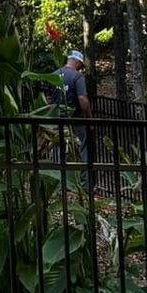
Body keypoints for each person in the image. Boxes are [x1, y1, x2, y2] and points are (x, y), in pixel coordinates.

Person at [58, 46, 94, 187]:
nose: (80, 68)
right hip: (76, 118)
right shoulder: (77, 77)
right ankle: (85, 184)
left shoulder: (55, 74)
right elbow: (83, 99)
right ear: (77, 62)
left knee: (61, 149)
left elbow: (49, 99)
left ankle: (62, 183)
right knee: (83, 148)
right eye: (80, 66)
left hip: (58, 119)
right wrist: (89, 118)